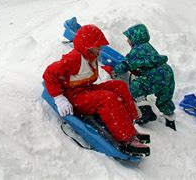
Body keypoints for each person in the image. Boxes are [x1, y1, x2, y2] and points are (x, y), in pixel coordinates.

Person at [42, 24, 150, 156]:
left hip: (86, 89)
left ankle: (129, 127)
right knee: (107, 98)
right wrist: (59, 98)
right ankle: (126, 138)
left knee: (118, 86)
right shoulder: (74, 59)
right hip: (74, 96)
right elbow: (49, 74)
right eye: (98, 46)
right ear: (87, 45)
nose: (100, 49)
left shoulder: (90, 55)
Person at [103, 24, 176, 131]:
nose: (127, 41)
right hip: (167, 72)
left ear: (136, 38)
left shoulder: (138, 49)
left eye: (129, 38)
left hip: (156, 75)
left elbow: (126, 64)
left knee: (137, 86)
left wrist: (114, 71)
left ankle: (146, 111)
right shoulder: (147, 46)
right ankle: (169, 120)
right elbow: (146, 62)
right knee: (165, 96)